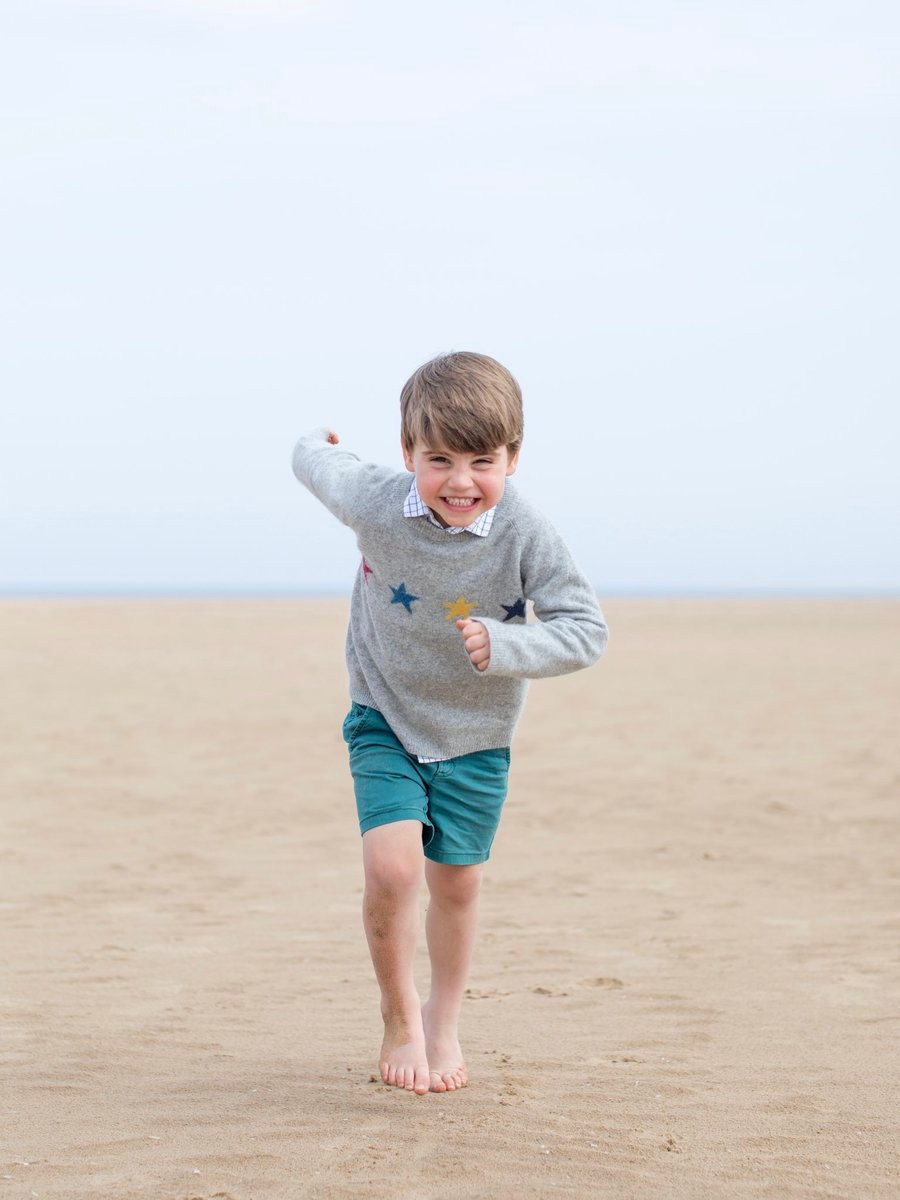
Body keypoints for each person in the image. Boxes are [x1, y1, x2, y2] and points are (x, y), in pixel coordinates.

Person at [292, 351, 608, 1096]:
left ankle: (444, 1018)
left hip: (476, 736)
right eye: (439, 460)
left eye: (481, 462)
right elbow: (316, 464)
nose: (460, 481)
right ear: (408, 452)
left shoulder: (525, 531)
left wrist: (509, 646)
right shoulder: (376, 499)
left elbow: (586, 630)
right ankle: (399, 1014)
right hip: (385, 714)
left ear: (512, 458)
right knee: (393, 869)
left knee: (457, 885)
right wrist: (317, 440)